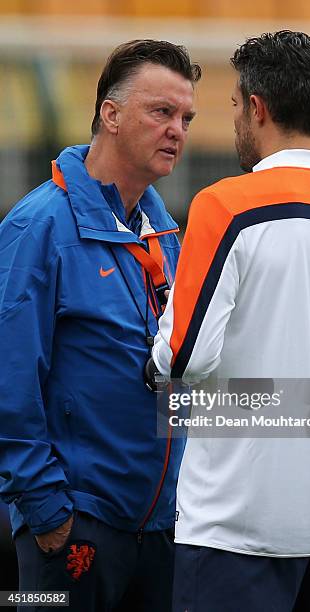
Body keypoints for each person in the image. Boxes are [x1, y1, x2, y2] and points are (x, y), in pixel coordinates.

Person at [151, 31, 310, 611]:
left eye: (236, 106)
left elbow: (184, 360)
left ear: (258, 107)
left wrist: (156, 362)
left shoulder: (224, 206)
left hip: (231, 530)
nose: (236, 117)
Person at [0, 39, 200, 612]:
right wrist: (47, 513)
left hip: (161, 527)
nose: (178, 131)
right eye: (161, 112)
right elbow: (10, 381)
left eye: (186, 118)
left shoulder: (164, 232)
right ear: (110, 115)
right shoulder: (37, 227)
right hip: (73, 529)